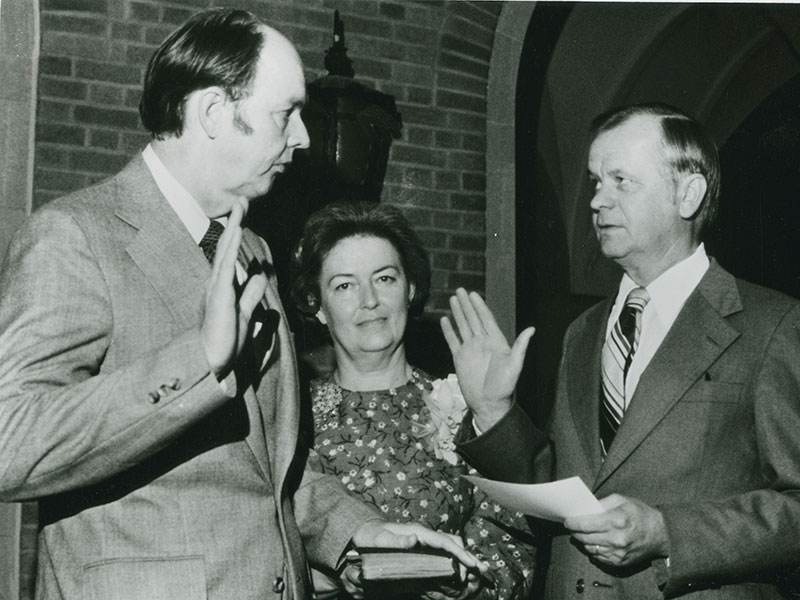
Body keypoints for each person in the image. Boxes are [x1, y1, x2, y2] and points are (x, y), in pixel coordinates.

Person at [0, 9, 482, 600]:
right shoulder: (74, 236)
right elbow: (10, 443)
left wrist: (360, 532)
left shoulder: (250, 247)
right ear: (211, 112)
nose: (303, 137)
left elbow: (266, 466)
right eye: (286, 114)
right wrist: (199, 358)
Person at [447, 103, 800, 598]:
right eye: (595, 181)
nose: (596, 201)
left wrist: (668, 533)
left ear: (687, 194)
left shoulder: (773, 325)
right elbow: (565, 491)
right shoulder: (583, 331)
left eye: (621, 181)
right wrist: (494, 412)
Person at [290, 202, 536, 600]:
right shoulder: (292, 415)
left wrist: (472, 585)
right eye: (344, 285)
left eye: (384, 279)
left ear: (411, 289)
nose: (369, 300)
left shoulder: (462, 401)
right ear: (317, 305)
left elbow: (513, 536)